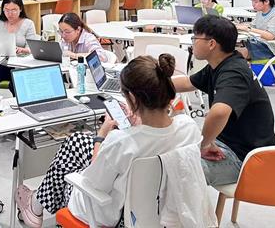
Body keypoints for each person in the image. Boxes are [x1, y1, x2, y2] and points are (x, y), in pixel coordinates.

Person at [14, 54, 201, 227]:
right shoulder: (188, 127)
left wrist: (101, 136)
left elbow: (92, 183)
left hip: (118, 215)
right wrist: (138, 125)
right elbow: (151, 140)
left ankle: (35, 203)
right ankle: (35, 203)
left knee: (70, 169)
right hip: (165, 207)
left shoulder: (121, 142)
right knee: (77, 141)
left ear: (132, 98)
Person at [173, 15, 275, 186]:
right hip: (227, 145)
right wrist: (149, 84)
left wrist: (203, 144)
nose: (193, 43)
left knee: (175, 172)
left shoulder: (233, 73)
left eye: (195, 38)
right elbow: (186, 83)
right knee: (172, 150)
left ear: (211, 44)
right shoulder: (221, 64)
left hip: (246, 159)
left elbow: (219, 112)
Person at [0, 0, 40, 93]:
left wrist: (21, 50)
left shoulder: (28, 24)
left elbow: (31, 48)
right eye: (7, 10)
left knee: (17, 83)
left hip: (20, 64)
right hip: (1, 64)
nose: (10, 13)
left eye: (14, 10)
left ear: (20, 9)